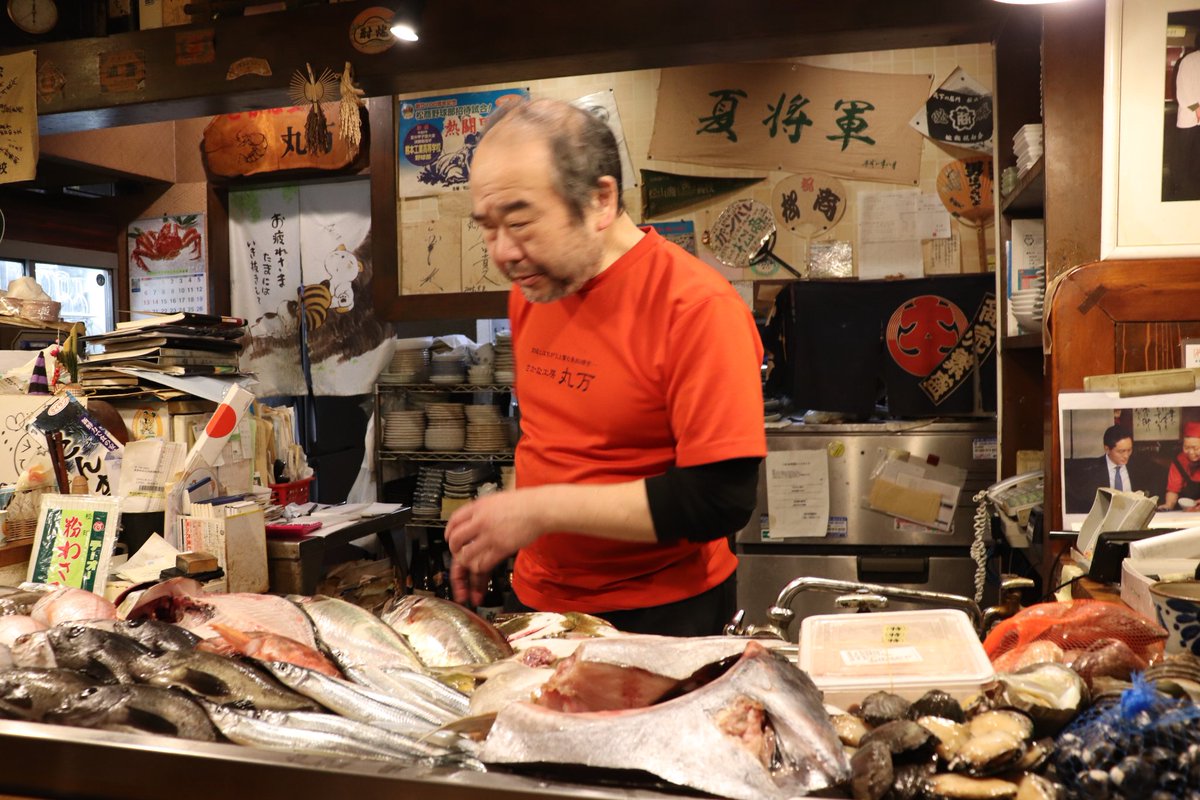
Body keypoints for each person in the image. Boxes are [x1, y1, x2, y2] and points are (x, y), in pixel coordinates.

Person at [444, 98, 767, 637]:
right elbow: (556, 438)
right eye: (488, 227)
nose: (503, 253)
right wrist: (505, 526)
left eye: (520, 222)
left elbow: (720, 500)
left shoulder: (695, 306)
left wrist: (539, 510)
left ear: (600, 199)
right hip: (541, 601)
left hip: (663, 613)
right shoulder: (536, 289)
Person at [1063, 424, 1139, 514]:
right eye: (1121, 451)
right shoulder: (1090, 473)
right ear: (1107, 449)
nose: (1126, 456)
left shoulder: (1140, 467)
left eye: (1129, 450)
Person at [1162, 421, 1200, 512]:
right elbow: (1173, 489)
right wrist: (1168, 505)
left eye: (1195, 448)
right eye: (1186, 447)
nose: (1190, 452)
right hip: (1188, 512)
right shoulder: (1179, 461)